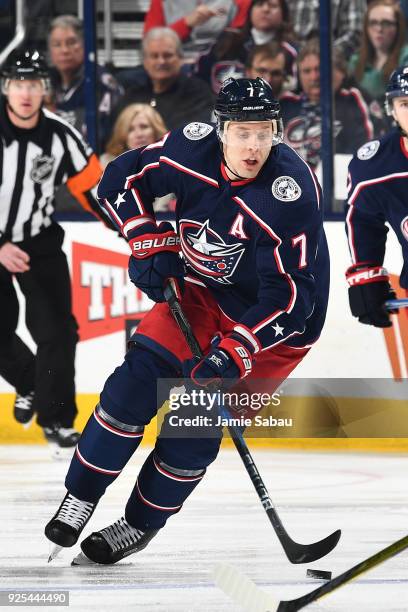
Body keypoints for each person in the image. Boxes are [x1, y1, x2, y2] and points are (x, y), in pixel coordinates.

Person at [44, 77, 330, 566]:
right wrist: (144, 237)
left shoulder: (290, 192)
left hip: (275, 327)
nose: (254, 145)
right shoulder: (188, 148)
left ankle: (138, 525)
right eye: (242, 131)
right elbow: (118, 180)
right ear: (220, 129)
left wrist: (238, 346)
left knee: (191, 430)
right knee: (131, 389)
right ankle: (82, 494)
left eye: (264, 132)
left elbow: (293, 297)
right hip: (200, 292)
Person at [0, 49, 112, 449]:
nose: (26, 93)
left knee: (59, 332)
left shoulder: (60, 135)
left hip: (38, 241)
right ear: (6, 88)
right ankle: (29, 381)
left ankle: (58, 418)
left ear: (44, 89)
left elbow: (94, 187)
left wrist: (130, 227)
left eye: (33, 84)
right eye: (18, 84)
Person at [345, 65, 408, 328]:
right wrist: (367, 275)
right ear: (391, 109)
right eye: (405, 103)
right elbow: (362, 219)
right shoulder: (378, 166)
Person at [280, 39, 374, 169]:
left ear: (341, 72)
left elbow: (365, 152)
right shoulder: (286, 104)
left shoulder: (353, 100)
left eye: (319, 69)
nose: (314, 77)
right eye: (307, 71)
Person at [113, 28, 214, 131]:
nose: (161, 61)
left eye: (167, 55)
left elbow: (191, 135)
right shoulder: (132, 95)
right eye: (154, 56)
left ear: (180, 58)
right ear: (145, 61)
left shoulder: (198, 93)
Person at [48, 15, 123, 150]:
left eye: (71, 42)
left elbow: (101, 137)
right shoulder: (46, 83)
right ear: (50, 51)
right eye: (57, 44)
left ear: (85, 44)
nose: (64, 50)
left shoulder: (100, 83)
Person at [195, 0, 297, 95]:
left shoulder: (290, 52)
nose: (266, 9)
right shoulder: (227, 41)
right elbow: (200, 77)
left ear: (283, 14)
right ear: (250, 11)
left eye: (273, 6)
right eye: (260, 4)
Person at [101, 103, 175, 213]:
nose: (138, 134)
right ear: (123, 134)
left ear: (156, 130)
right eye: (130, 129)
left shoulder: (172, 163)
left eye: (144, 127)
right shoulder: (107, 163)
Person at [143, 0, 251, 60]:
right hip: (171, 63)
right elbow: (150, 44)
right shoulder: (162, 2)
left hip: (217, 64)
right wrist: (186, 23)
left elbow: (238, 39)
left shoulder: (238, 2)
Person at [349, 0, 408, 103]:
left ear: (399, 27)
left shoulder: (405, 57)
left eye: (386, 23)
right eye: (373, 23)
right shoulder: (355, 61)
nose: (379, 29)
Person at [286, 0, 366, 58]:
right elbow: (284, 28)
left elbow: (355, 34)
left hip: (335, 63)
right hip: (294, 60)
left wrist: (326, 56)